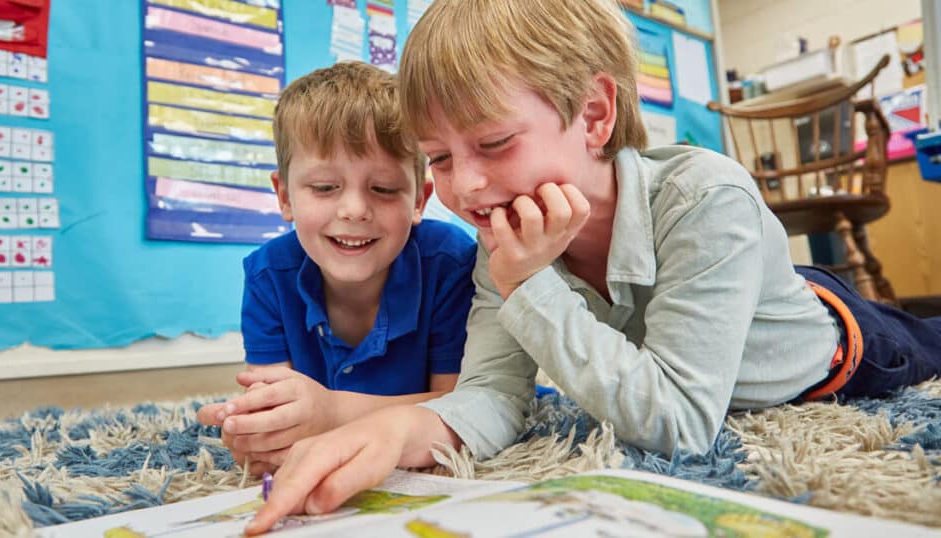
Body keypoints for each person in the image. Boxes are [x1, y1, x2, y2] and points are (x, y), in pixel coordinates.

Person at [244, 0, 941, 533]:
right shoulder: (503, 241)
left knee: (929, 337)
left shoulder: (704, 196)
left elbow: (679, 422)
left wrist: (528, 285)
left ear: (595, 115)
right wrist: (399, 430)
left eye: (493, 142)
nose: (467, 188)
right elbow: (492, 394)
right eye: (441, 158)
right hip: (700, 329)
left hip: (843, 345)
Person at [196, 61, 476, 475]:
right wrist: (256, 429)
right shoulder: (267, 276)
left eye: (382, 189)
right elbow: (275, 409)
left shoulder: (450, 263)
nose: (354, 210)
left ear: (419, 199)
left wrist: (331, 412)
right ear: (284, 196)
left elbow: (461, 408)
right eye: (325, 188)